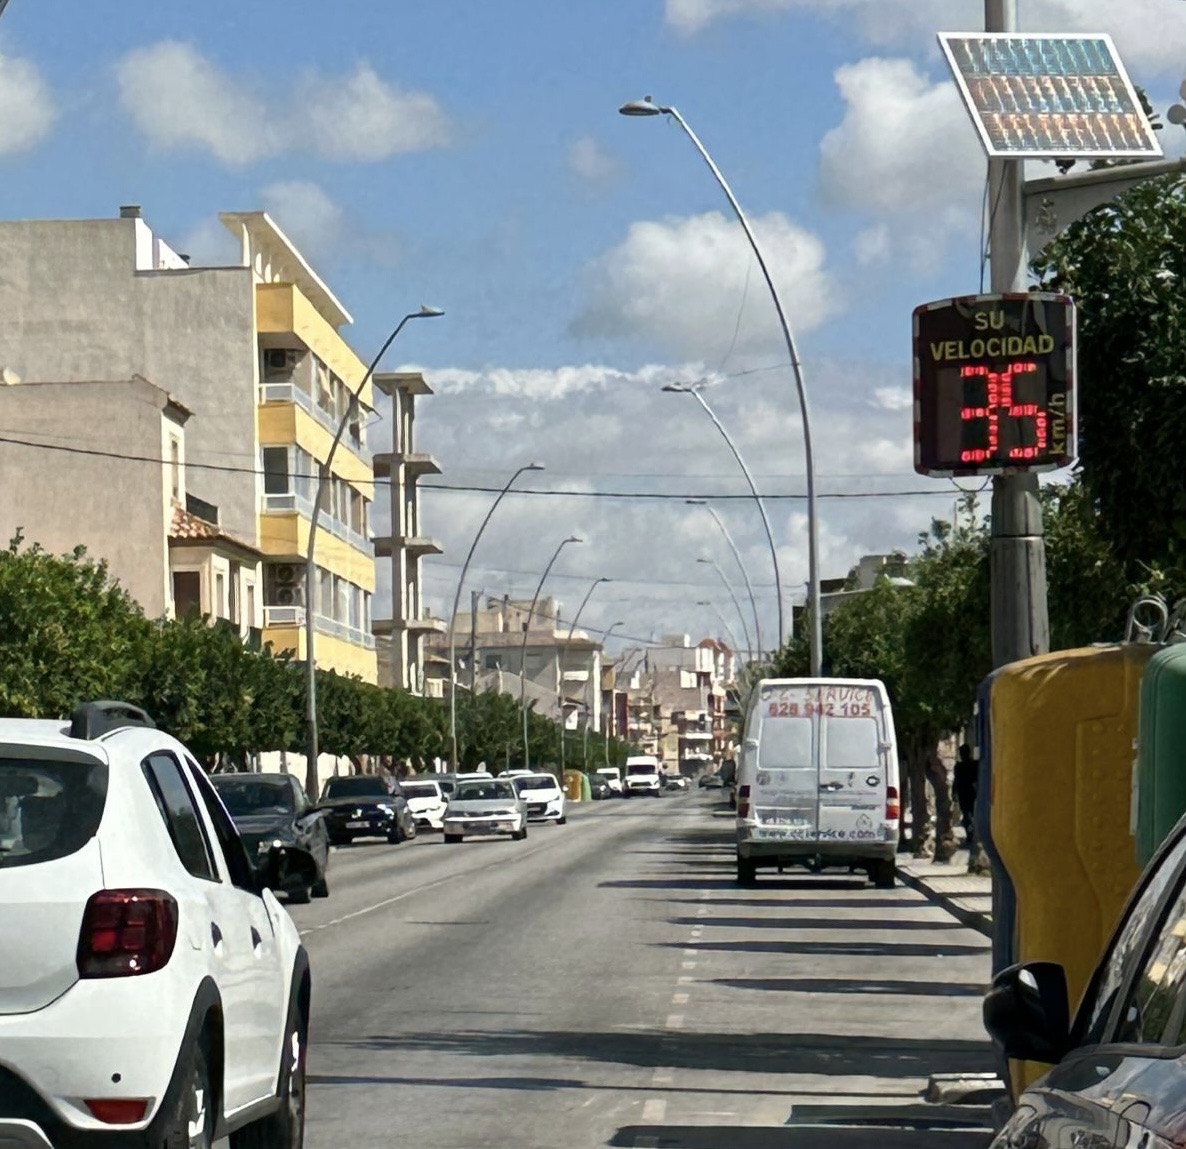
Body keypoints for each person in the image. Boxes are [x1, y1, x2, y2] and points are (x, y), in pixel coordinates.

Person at [954, 743, 978, 844]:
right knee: (969, 815)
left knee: (968, 815)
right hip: (968, 791)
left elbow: (957, 781)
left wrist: (954, 792)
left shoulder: (961, 766)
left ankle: (971, 834)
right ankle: (970, 834)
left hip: (965, 792)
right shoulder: (973, 764)